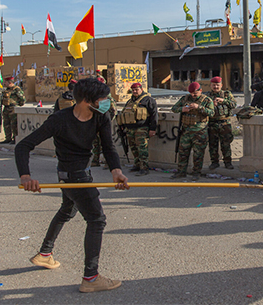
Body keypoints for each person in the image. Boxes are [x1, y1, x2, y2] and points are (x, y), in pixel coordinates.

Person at [15, 78, 128, 293]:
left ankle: (45, 254)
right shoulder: (59, 119)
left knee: (67, 210)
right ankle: (91, 277)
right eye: (103, 99)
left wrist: (117, 171)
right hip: (73, 177)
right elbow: (23, 146)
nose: (106, 102)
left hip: (73, 176)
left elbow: (108, 147)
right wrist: (25, 177)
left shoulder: (101, 116)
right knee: (96, 220)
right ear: (87, 100)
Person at [170, 82, 214, 180]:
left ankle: (196, 173)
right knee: (183, 153)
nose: (193, 95)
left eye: (195, 93)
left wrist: (199, 108)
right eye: (191, 93)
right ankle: (181, 172)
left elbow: (211, 113)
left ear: (200, 91)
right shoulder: (185, 99)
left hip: (200, 131)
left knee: (198, 154)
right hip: (186, 131)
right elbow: (174, 108)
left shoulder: (206, 100)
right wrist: (183, 109)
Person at [117, 82, 158, 176]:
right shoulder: (130, 101)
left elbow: (154, 115)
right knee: (133, 148)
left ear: (141, 89)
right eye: (133, 90)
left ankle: (144, 167)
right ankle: (137, 164)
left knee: (142, 149)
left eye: (136, 90)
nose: (135, 92)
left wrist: (153, 128)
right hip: (130, 128)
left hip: (142, 128)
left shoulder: (148, 100)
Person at [206, 76, 236, 170]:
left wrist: (224, 101)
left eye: (217, 85)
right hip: (212, 123)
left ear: (221, 85)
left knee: (226, 144)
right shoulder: (207, 96)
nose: (215, 87)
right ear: (210, 85)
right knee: (213, 144)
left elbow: (234, 104)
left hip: (224, 123)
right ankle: (214, 162)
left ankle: (228, 162)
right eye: (214, 85)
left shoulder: (227, 94)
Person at [89, 77, 117, 168]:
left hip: (103, 123)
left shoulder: (107, 98)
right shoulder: (92, 97)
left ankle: (107, 162)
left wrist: (107, 121)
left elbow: (113, 110)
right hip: (94, 123)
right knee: (95, 143)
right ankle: (95, 160)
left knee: (106, 143)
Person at [0, 76, 26, 144]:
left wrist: (18, 105)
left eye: (5, 82)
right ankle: (8, 138)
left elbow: (22, 99)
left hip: (13, 109)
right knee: (6, 124)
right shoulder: (6, 90)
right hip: (6, 108)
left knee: (14, 124)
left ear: (10, 82)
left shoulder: (16, 89)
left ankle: (15, 138)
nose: (4, 83)